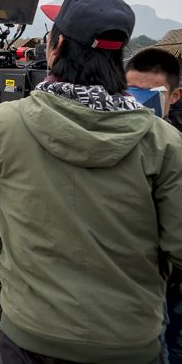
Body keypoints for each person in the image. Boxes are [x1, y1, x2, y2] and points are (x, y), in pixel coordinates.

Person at [0, 0, 182, 363]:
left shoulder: (8, 124)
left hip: (32, 340)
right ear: (118, 58)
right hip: (131, 343)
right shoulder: (164, 141)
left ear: (54, 48)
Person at [126, 47, 182, 362]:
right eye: (132, 90)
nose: (139, 100)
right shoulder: (120, 133)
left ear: (174, 95)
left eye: (150, 93)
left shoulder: (174, 141)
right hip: (140, 285)